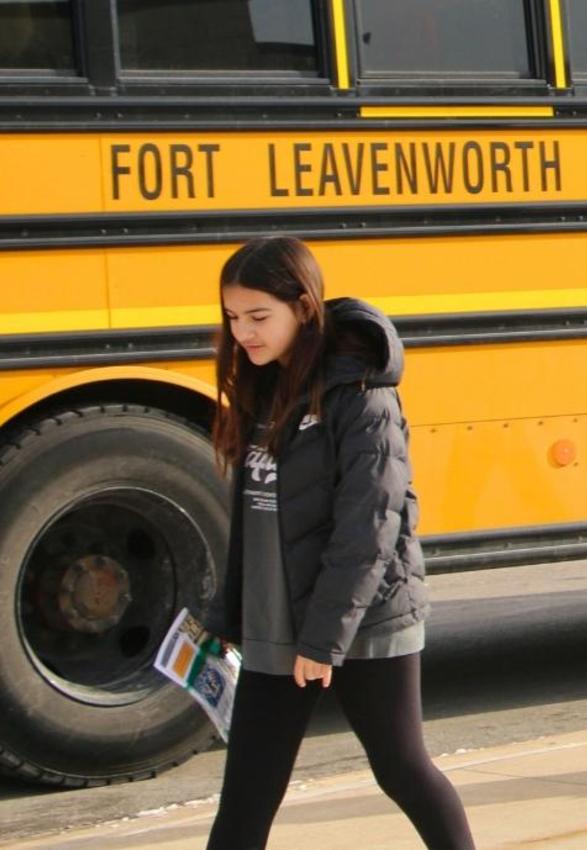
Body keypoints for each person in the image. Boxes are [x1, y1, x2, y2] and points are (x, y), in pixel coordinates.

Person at [202, 236, 474, 850]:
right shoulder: (264, 385)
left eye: (258, 316)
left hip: (364, 621)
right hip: (279, 625)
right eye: (232, 318)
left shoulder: (361, 393)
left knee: (402, 768)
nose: (243, 332)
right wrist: (231, 616)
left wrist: (324, 640)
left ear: (304, 306)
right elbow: (256, 517)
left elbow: (368, 525)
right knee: (245, 795)